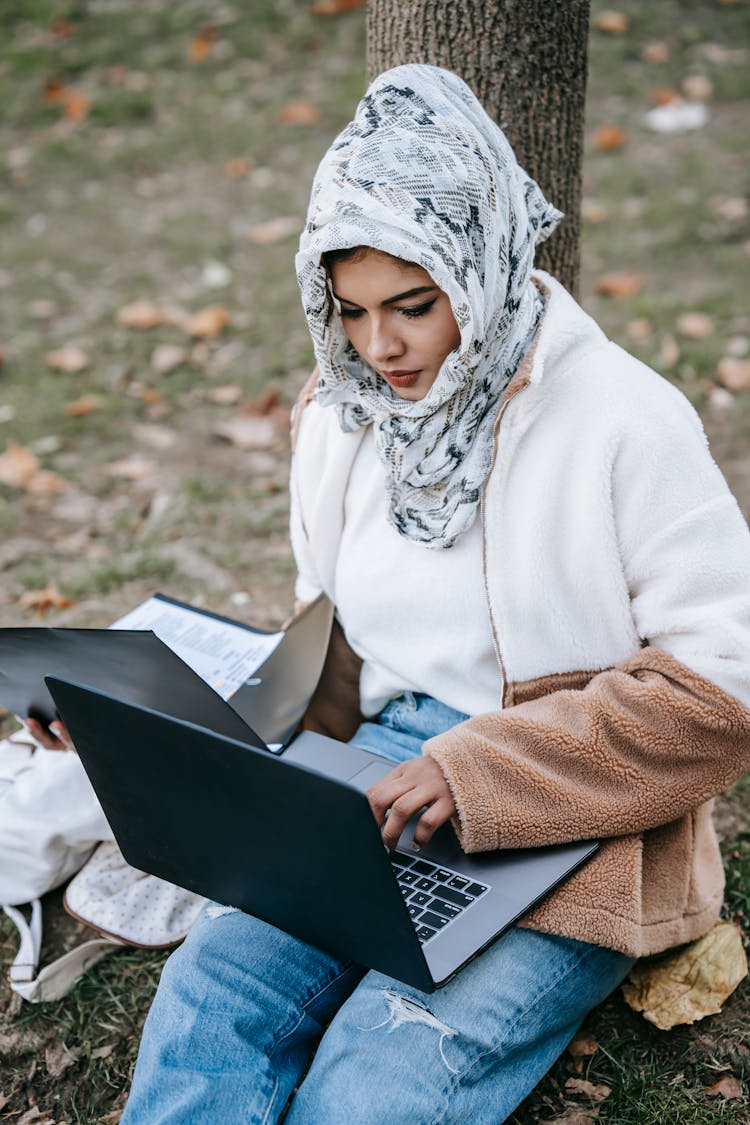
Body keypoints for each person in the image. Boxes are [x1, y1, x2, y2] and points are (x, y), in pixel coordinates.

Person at [53, 64, 750, 1123]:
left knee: (384, 1077)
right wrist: (139, 729)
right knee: (211, 1006)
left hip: (572, 815)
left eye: (415, 307)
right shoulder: (341, 417)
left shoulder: (621, 422)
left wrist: (475, 771)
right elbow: (325, 656)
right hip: (368, 793)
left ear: (481, 268)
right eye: (353, 310)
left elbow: (724, 689)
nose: (380, 348)